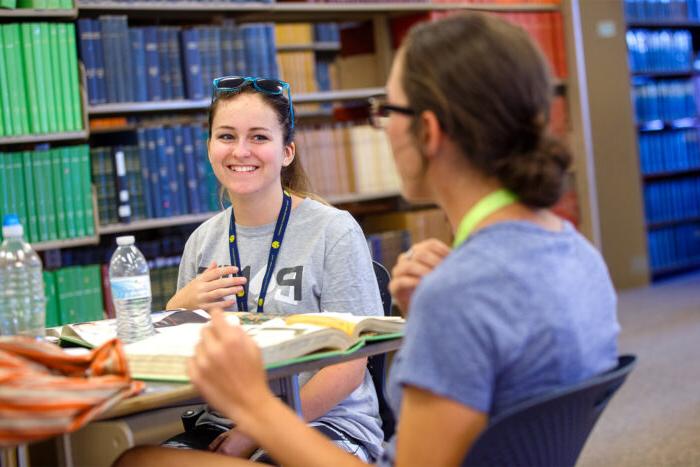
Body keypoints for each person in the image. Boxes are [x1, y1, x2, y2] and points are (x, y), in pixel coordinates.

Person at [117, 12, 619, 467]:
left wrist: (252, 409)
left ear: (427, 130)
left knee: (135, 463)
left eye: (386, 111)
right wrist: (429, 316)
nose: (382, 129)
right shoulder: (577, 253)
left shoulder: (460, 292)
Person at [162, 76, 384, 462]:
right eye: (227, 136)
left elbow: (350, 365)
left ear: (287, 152)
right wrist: (175, 311)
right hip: (222, 426)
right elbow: (190, 366)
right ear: (210, 147)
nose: (241, 151)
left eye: (259, 137)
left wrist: (257, 430)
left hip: (326, 425)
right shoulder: (202, 242)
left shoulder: (334, 231)